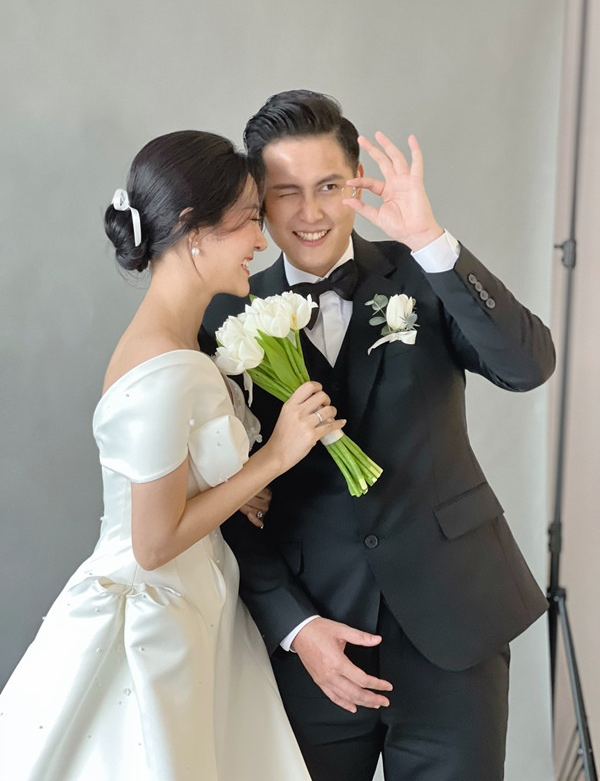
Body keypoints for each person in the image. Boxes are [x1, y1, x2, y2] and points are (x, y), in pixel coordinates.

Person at [202, 91, 556, 781]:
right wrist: (295, 627)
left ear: (357, 182)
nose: (310, 212)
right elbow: (223, 497)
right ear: (259, 201)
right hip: (315, 639)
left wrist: (430, 239)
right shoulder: (226, 316)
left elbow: (527, 366)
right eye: (286, 192)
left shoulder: (424, 271)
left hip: (456, 626)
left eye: (329, 186)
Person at [0, 130, 349, 780]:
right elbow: (153, 542)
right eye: (249, 220)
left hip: (198, 606)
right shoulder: (163, 363)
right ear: (193, 230)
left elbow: (178, 488)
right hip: (153, 623)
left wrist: (236, 487)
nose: (261, 240)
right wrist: (273, 457)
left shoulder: (181, 345)